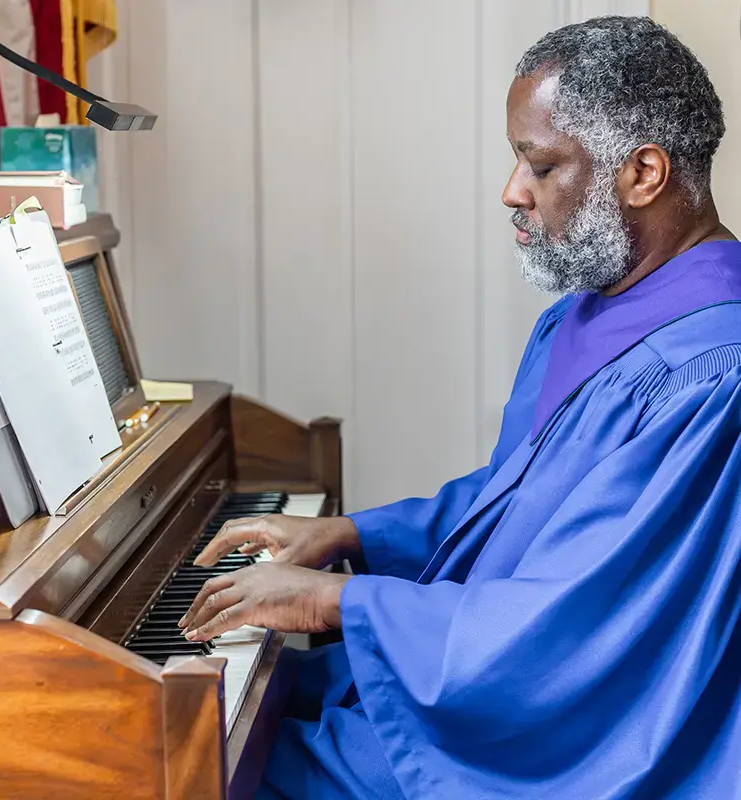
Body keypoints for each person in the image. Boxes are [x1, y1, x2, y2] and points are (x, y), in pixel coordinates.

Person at [180, 16, 741, 799]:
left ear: (643, 173)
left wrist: (339, 601)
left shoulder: (711, 376)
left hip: (575, 736)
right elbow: (519, 507)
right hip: (480, 665)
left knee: (208, 763)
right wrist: (349, 535)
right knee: (239, 703)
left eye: (540, 165)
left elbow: (577, 630)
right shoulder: (591, 312)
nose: (511, 192)